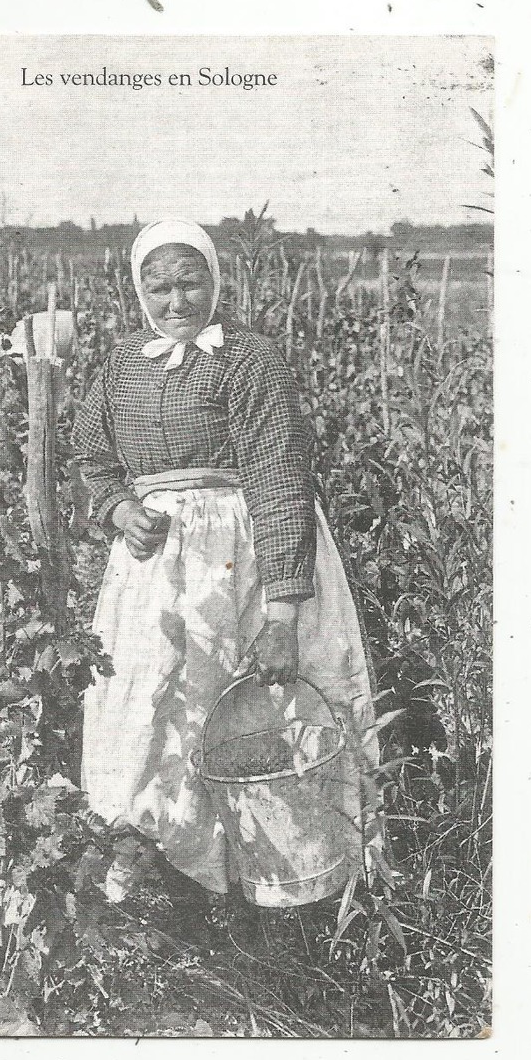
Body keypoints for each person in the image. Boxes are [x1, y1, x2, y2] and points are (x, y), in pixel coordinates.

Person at [71, 218, 379, 905]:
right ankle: (159, 875)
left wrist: (282, 615)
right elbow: (90, 454)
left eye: (191, 282)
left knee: (247, 714)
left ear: (216, 280)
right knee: (147, 708)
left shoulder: (248, 358)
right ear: (138, 292)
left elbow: (277, 479)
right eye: (159, 288)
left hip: (242, 557)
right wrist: (122, 510)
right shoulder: (123, 364)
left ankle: (266, 889)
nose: (177, 302)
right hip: (153, 572)